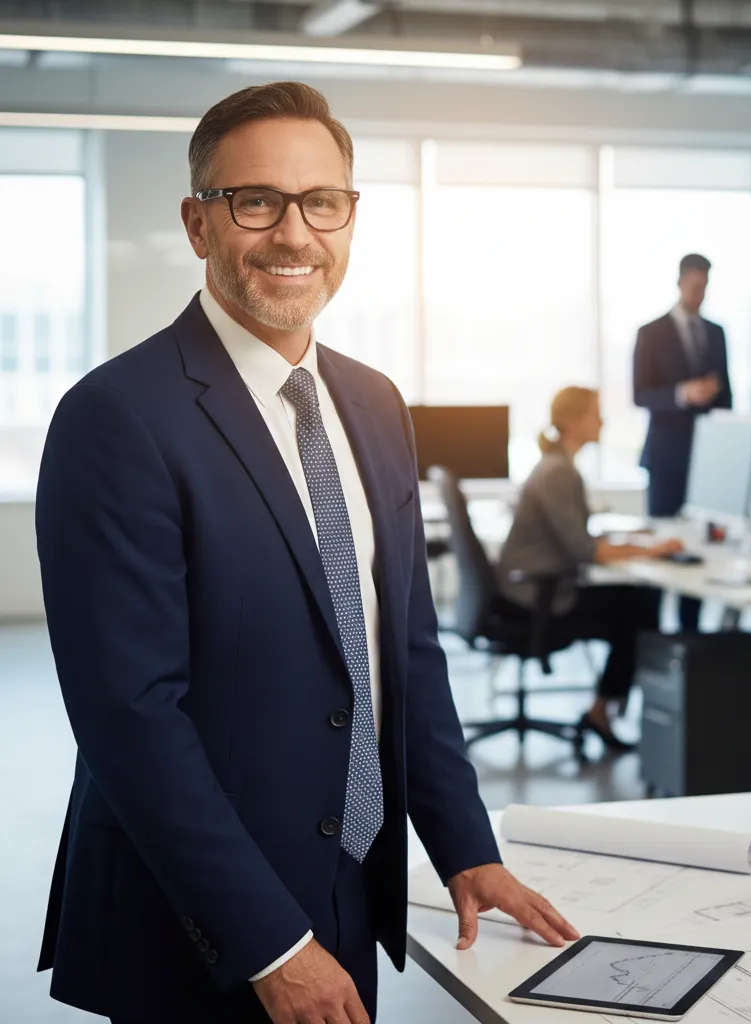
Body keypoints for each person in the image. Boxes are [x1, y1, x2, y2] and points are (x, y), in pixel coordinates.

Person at [34, 82, 577, 1024]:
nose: (295, 234)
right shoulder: (117, 418)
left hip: (348, 877)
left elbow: (404, 650)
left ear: (349, 218)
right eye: (257, 201)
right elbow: (130, 718)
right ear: (199, 224)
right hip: (199, 923)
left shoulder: (373, 404)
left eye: (321, 202)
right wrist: (271, 945)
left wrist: (464, 846)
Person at [498, 387, 683, 752]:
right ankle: (604, 708)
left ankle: (609, 704)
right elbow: (584, 550)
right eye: (595, 413)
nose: (602, 421)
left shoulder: (557, 464)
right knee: (639, 609)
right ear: (572, 421)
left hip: (533, 590)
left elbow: (575, 534)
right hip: (538, 599)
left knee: (636, 603)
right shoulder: (559, 472)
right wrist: (656, 549)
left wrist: (631, 538)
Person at [633, 253, 732, 633]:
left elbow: (728, 395)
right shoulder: (652, 332)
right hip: (666, 456)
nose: (699, 294)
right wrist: (681, 394)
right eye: (693, 286)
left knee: (699, 551)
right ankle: (651, 637)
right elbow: (640, 394)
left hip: (706, 459)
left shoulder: (716, 333)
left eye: (704, 287)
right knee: (662, 546)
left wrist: (712, 395)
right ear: (679, 283)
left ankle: (691, 637)